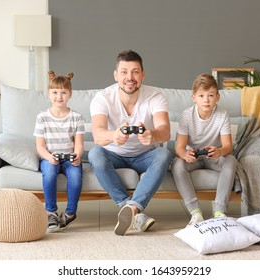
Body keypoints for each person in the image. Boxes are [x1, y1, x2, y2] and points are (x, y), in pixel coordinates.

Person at [88, 50, 172, 236]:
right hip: (113, 154)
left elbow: (165, 131)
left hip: (145, 155)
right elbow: (98, 134)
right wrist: (113, 135)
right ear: (116, 75)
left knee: (164, 154)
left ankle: (130, 209)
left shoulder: (155, 97)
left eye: (135, 72)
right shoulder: (103, 97)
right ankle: (133, 208)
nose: (130, 77)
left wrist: (153, 134)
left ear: (143, 75)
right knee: (95, 153)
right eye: (124, 72)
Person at [171, 73, 237, 227]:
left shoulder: (222, 115)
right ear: (194, 97)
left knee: (231, 161)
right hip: (194, 157)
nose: (206, 100)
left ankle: (220, 211)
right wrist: (186, 155)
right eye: (201, 95)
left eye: (210, 95)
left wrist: (219, 151)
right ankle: (195, 212)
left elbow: (228, 146)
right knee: (177, 164)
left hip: (214, 156)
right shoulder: (187, 115)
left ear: (217, 97)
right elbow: (179, 148)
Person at [34, 71, 85, 233]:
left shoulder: (77, 117)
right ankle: (51, 212)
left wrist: (77, 156)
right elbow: (40, 146)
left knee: (76, 177)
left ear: (70, 94)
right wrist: (49, 157)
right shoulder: (42, 117)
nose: (59, 96)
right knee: (49, 174)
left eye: (63, 92)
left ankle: (70, 213)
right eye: (55, 92)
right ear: (49, 94)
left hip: (70, 158)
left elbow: (79, 144)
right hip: (50, 157)